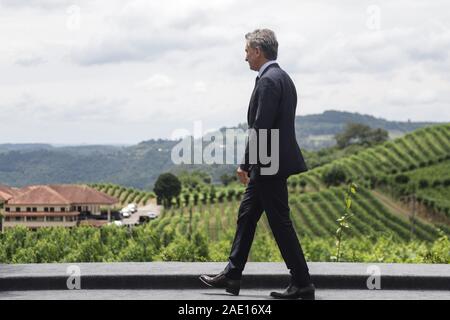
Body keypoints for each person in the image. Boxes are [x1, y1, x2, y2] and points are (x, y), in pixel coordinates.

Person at [199, 29, 315, 300]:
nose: (245, 57)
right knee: (247, 216)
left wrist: (246, 163)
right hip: (271, 163)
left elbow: (261, 127)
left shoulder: (268, 81)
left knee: (280, 223)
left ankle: (302, 281)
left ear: (258, 51)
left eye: (247, 51)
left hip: (268, 165)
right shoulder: (283, 78)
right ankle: (233, 273)